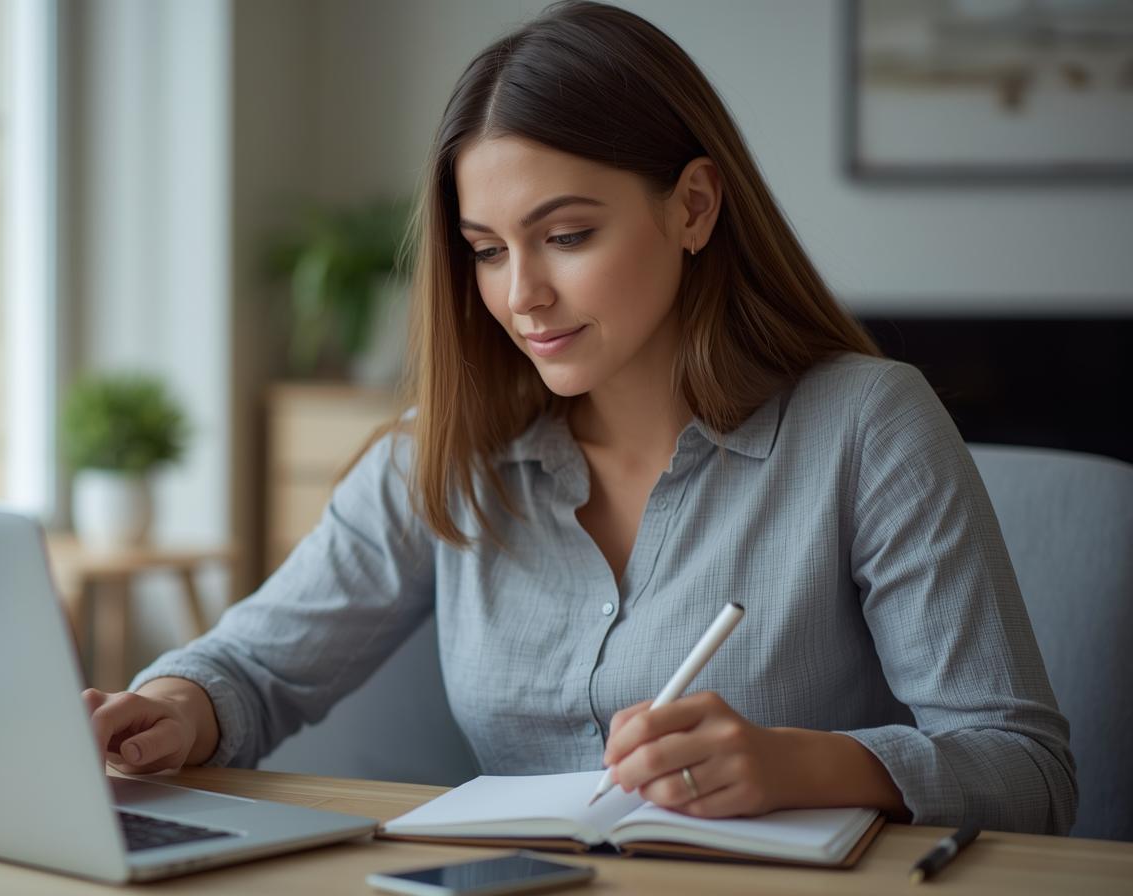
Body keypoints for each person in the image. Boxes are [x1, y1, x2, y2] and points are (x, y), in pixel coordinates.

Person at [82, 0, 1076, 835]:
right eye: (484, 249)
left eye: (564, 235)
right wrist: (171, 709)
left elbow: (1027, 770)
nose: (521, 295)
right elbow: (251, 665)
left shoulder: (865, 425)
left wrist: (800, 764)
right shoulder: (445, 452)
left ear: (692, 207)